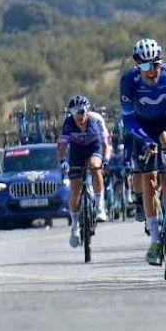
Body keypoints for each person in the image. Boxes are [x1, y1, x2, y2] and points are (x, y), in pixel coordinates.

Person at [119, 40, 166, 265]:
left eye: (156, 65)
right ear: (137, 67)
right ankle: (156, 240)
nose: (152, 72)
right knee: (149, 181)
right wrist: (148, 141)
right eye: (145, 67)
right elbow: (129, 120)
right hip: (142, 126)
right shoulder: (128, 81)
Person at [58, 95, 109, 249]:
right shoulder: (68, 123)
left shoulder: (96, 120)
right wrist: (63, 162)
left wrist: (105, 161)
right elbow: (61, 146)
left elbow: (106, 145)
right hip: (76, 151)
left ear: (88, 110)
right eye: (74, 113)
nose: (78, 116)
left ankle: (100, 207)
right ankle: (74, 226)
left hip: (94, 147)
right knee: (75, 188)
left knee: (95, 167)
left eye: (81, 111)